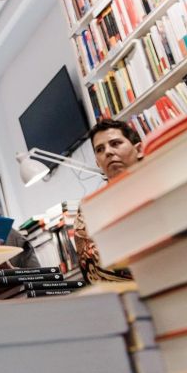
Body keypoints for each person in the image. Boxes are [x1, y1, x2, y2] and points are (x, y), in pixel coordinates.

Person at [75, 119, 144, 283]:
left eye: (115, 143)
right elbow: (94, 269)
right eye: (100, 149)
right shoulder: (87, 212)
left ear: (139, 149)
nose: (108, 152)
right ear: (97, 163)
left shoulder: (162, 182)